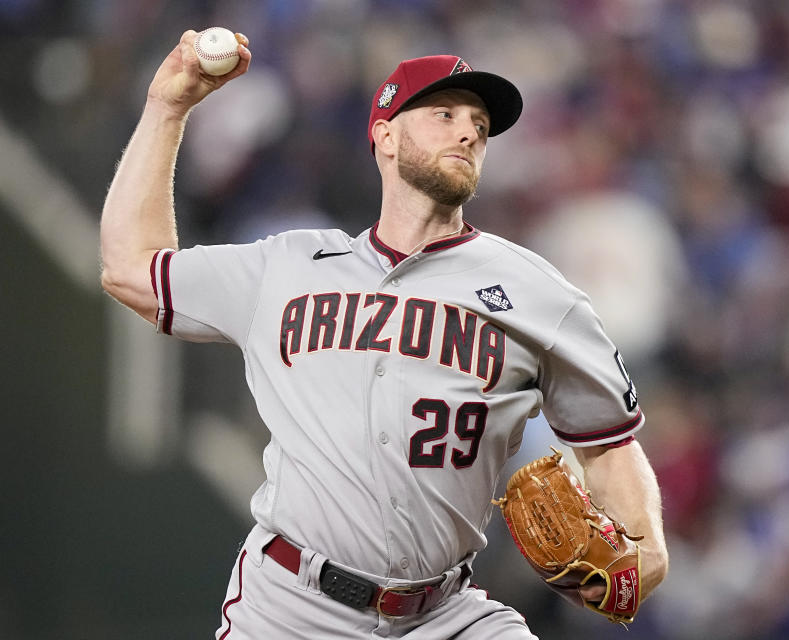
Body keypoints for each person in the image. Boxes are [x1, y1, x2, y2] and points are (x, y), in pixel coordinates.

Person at [100, 30, 668, 639]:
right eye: (444, 114)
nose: (469, 131)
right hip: (291, 608)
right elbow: (132, 269)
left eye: (479, 123)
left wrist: (645, 550)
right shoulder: (286, 267)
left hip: (447, 614)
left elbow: (608, 441)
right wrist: (167, 108)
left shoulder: (536, 292)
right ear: (386, 136)